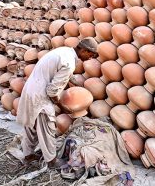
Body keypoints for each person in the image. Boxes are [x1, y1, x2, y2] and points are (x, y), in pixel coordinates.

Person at [16, 38, 97, 169]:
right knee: (47, 127)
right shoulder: (69, 63)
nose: (91, 58)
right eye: (90, 54)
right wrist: (62, 107)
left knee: (31, 126)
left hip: (31, 89)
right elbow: (52, 91)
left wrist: (72, 82)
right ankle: (52, 161)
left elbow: (58, 70)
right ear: (83, 50)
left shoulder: (64, 51)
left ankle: (28, 155)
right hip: (40, 95)